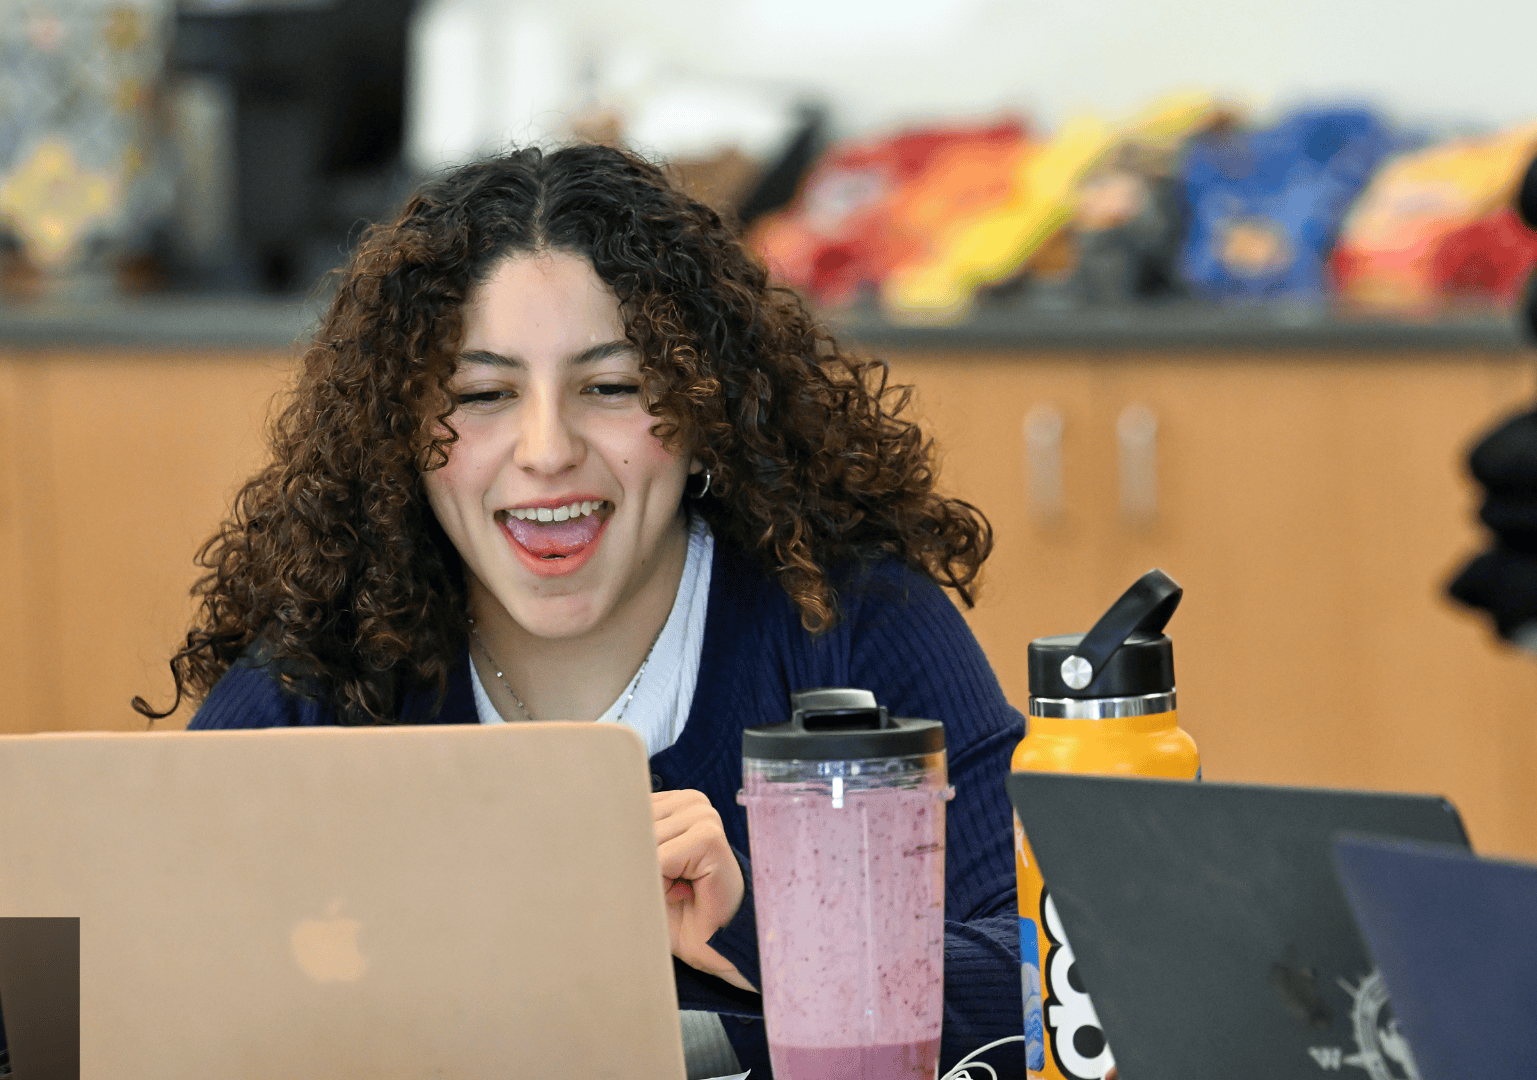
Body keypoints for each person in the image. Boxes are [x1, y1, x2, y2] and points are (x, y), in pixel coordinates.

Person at [149, 143, 1024, 1076]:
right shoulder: (330, 661)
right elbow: (87, 992)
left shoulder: (848, 618)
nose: (546, 450)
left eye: (611, 387)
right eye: (482, 394)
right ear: (397, 434)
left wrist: (772, 931)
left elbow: (1051, 967)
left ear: (706, 410)